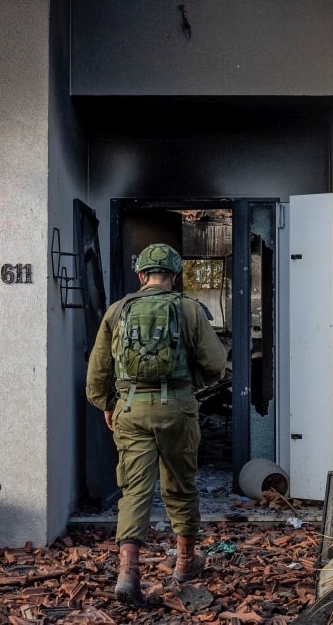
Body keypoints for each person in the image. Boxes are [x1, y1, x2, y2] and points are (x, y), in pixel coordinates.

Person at [86, 242, 227, 605]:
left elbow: (98, 370)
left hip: (130, 410)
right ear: (174, 276)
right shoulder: (188, 309)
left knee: (134, 490)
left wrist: (108, 404)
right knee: (180, 484)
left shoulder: (118, 311)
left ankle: (128, 572)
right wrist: (189, 383)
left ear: (141, 275)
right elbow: (216, 364)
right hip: (177, 408)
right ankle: (184, 562)